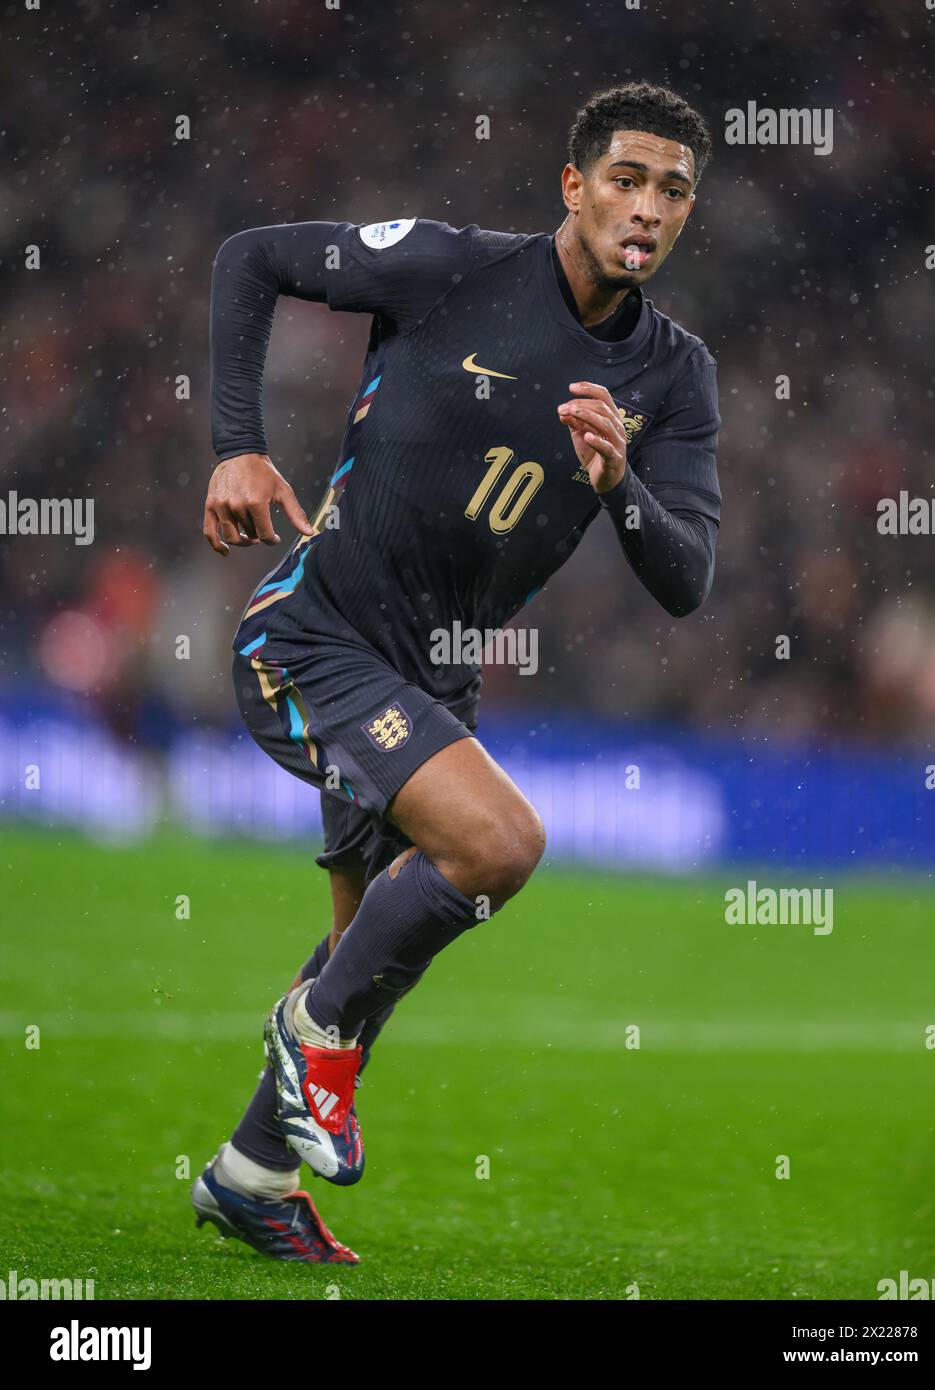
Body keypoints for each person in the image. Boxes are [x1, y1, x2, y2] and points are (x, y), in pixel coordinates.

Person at [193, 80, 722, 1263]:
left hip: (432, 676)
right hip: (314, 634)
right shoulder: (446, 268)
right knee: (497, 847)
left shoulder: (674, 381)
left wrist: (615, 487)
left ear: (688, 214)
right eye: (626, 179)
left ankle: (249, 1175)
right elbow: (250, 258)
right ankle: (307, 1036)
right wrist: (235, 442)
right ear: (573, 185)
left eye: (673, 190)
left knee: (367, 956)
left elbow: (685, 576)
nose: (647, 207)